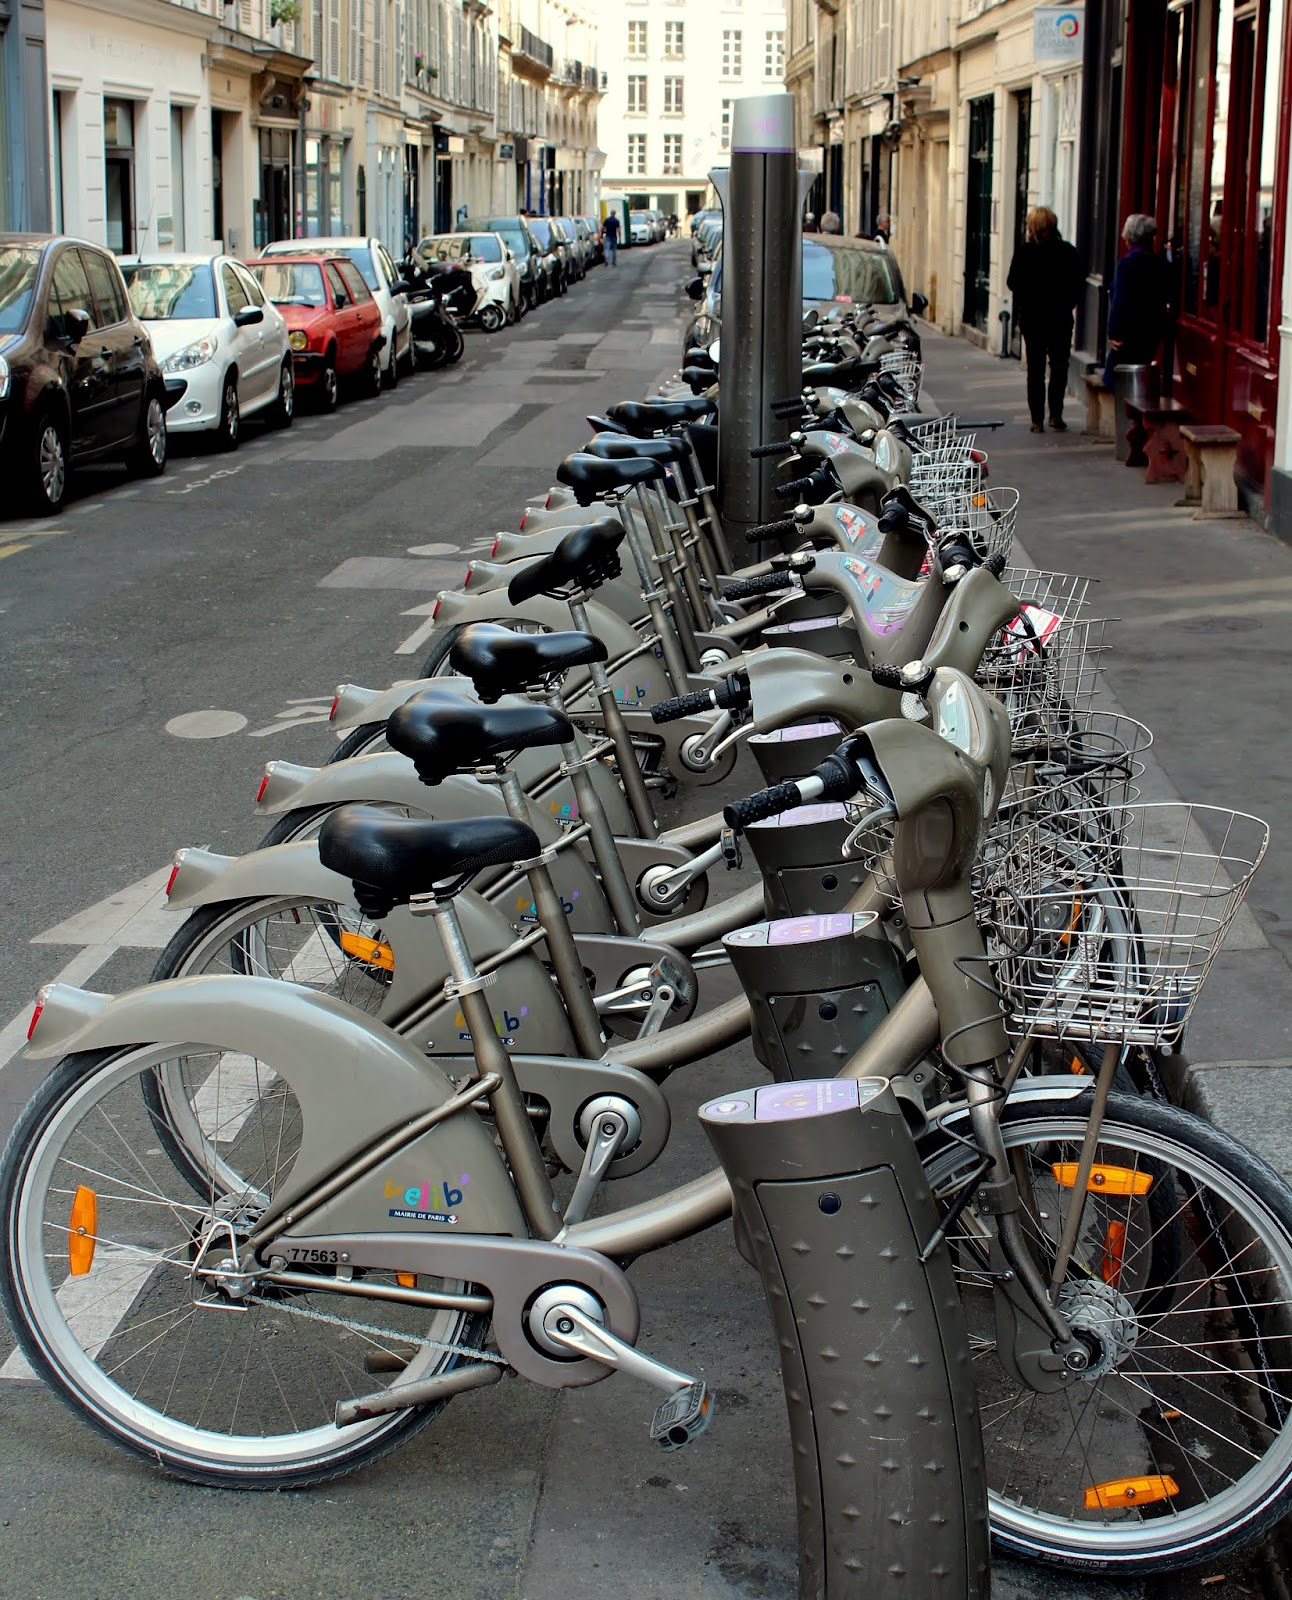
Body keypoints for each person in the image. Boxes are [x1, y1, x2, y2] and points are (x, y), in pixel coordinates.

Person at [1005, 205, 1084, 433]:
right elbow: (1079, 281)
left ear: (1032, 227)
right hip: (1059, 318)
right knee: (1059, 367)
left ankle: (1037, 420)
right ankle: (1056, 415)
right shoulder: (1068, 252)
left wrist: (1025, 298)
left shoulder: (1024, 253)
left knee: (1036, 370)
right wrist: (1068, 302)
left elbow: (1012, 282)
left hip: (1033, 319)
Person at [1103, 213, 1170, 386]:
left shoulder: (1128, 264)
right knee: (1141, 376)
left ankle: (1123, 412)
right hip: (1151, 332)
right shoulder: (1160, 264)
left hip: (1129, 334)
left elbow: (1121, 300)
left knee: (1116, 379)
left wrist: (1113, 332)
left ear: (1129, 237)